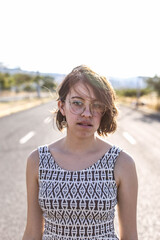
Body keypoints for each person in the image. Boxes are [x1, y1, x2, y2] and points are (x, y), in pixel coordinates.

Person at [22, 65, 138, 240]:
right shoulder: (37, 160)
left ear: (104, 111)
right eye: (77, 103)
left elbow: (130, 236)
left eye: (97, 105)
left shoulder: (122, 163)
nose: (87, 113)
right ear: (62, 106)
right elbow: (32, 232)